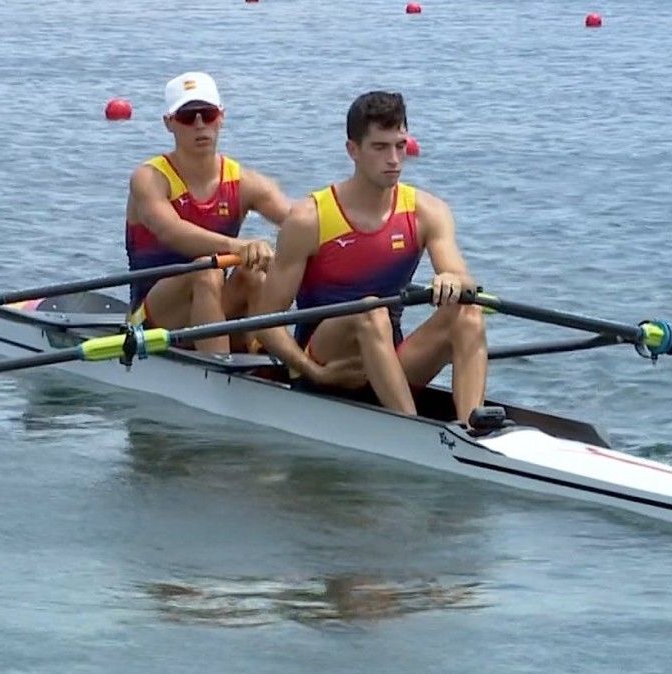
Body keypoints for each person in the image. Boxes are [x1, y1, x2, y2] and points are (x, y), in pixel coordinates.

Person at [252, 91, 489, 424]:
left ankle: (470, 431)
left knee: (468, 312)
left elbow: (461, 278)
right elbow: (265, 321)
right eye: (380, 147)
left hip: (388, 362)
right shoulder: (310, 219)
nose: (394, 159)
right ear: (353, 151)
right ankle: (411, 431)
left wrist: (453, 280)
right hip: (324, 365)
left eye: (400, 146)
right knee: (371, 311)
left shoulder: (427, 212)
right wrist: (313, 372)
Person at [125, 71, 291, 352]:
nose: (200, 124)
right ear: (169, 123)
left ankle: (270, 362)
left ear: (221, 117)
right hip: (152, 319)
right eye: (188, 117)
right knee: (208, 269)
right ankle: (218, 370)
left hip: (209, 309)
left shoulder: (245, 182)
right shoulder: (149, 178)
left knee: (254, 271)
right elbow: (171, 231)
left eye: (208, 114)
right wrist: (239, 246)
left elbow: (300, 222)